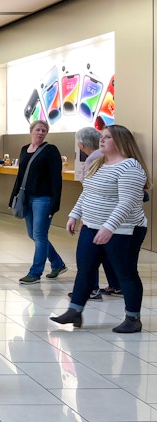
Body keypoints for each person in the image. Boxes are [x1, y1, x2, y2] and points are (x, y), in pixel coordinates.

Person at [50, 125, 149, 333]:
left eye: (108, 137)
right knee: (85, 269)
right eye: (101, 137)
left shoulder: (130, 167)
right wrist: (74, 215)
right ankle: (75, 310)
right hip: (92, 226)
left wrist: (109, 227)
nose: (101, 140)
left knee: (125, 273)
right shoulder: (100, 164)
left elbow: (127, 203)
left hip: (124, 230)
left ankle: (133, 318)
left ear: (121, 142)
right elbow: (88, 193)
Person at [9, 120, 66, 285]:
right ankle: (57, 264)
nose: (40, 133)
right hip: (27, 198)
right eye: (38, 129)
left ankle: (35, 272)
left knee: (40, 235)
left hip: (43, 198)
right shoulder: (24, 149)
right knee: (32, 234)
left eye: (44, 130)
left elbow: (57, 178)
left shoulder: (51, 151)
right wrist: (13, 197)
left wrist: (55, 203)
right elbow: (20, 176)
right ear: (31, 131)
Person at [70, 127, 114, 300]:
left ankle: (91, 289)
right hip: (105, 217)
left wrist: (82, 217)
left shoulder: (94, 158)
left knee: (90, 256)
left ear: (80, 145)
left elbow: (89, 191)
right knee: (107, 254)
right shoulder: (104, 157)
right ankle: (114, 285)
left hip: (97, 217)